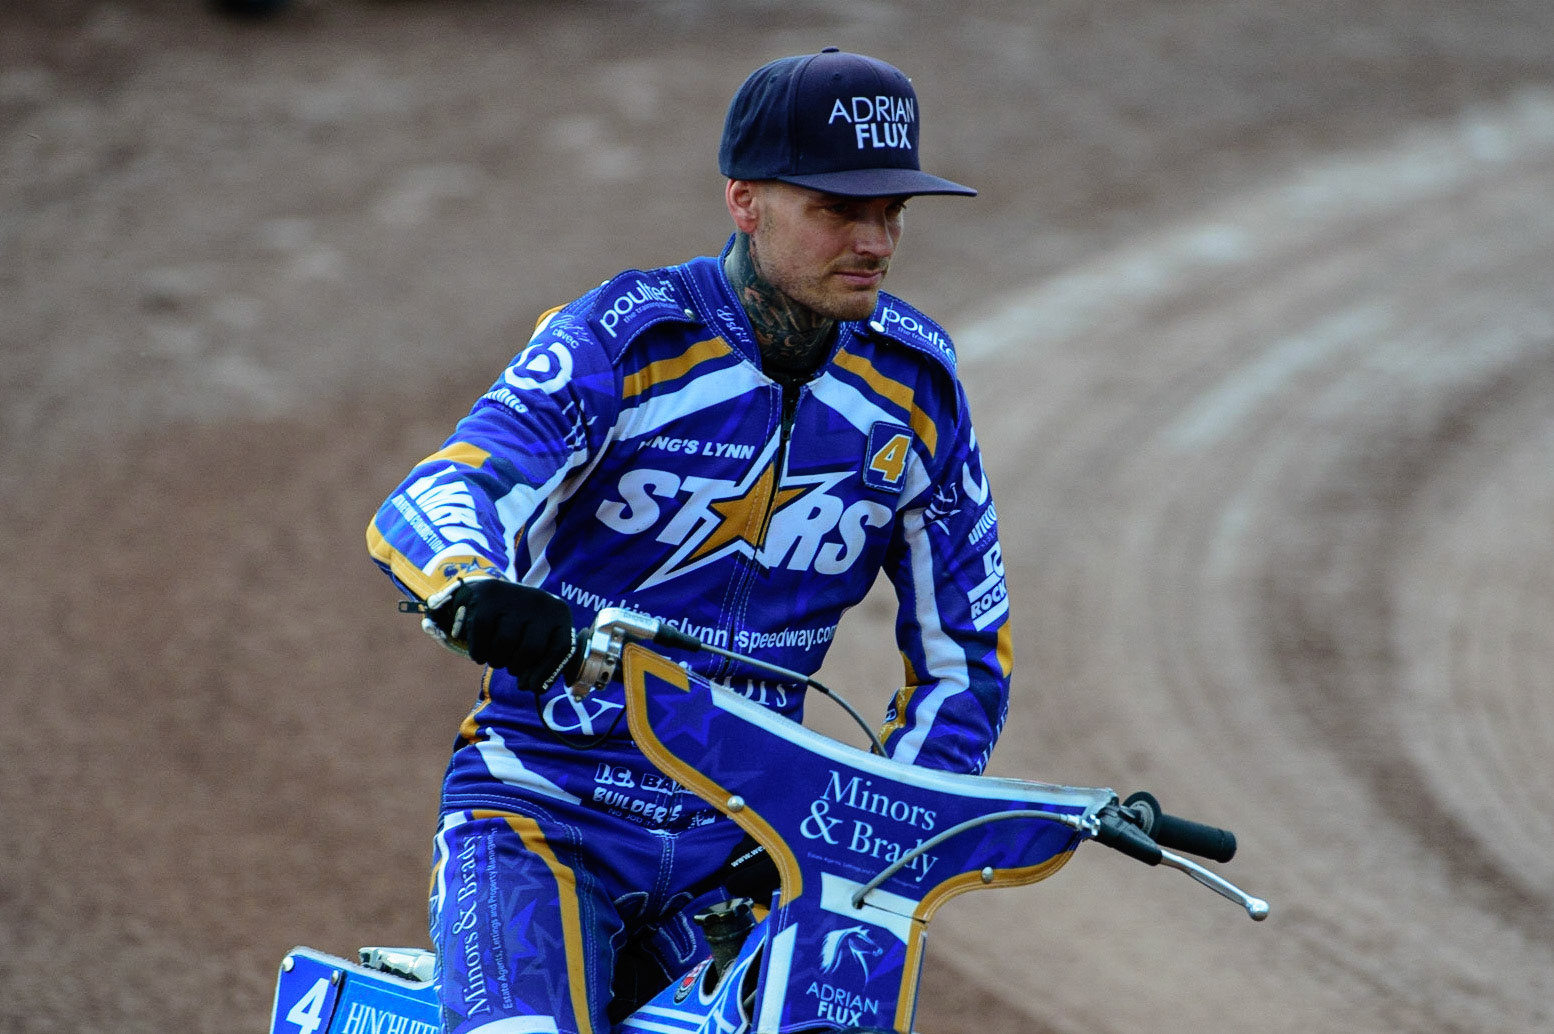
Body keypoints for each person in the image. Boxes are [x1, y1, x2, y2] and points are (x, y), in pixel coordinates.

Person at [367, 47, 1011, 1034]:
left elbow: (966, 660)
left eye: (895, 212)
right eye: (840, 209)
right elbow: (445, 487)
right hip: (548, 814)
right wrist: (468, 583)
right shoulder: (627, 341)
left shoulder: (914, 388)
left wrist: (867, 823)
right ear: (744, 200)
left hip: (755, 844)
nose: (877, 240)